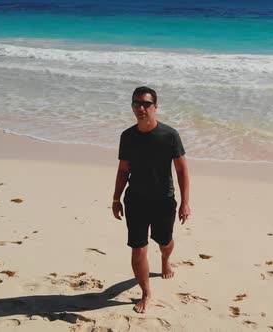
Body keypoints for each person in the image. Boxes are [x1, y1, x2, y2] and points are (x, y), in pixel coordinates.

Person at [112, 86, 191, 314]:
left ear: (155, 107)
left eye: (146, 104)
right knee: (138, 250)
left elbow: (182, 171)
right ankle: (146, 293)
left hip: (163, 201)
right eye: (136, 103)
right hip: (135, 200)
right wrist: (116, 198)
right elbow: (123, 170)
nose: (141, 108)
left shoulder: (169, 135)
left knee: (164, 242)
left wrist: (185, 202)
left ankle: (166, 260)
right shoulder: (127, 136)